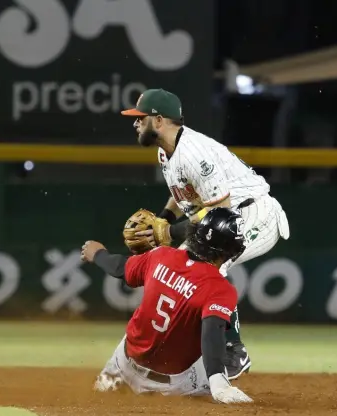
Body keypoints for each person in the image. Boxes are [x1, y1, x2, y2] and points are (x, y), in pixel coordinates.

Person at [120, 88, 290, 379]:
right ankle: (172, 353)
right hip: (223, 217)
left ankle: (234, 350)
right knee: (176, 271)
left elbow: (220, 214)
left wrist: (170, 231)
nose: (135, 123)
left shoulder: (193, 154)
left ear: (159, 120)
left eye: (141, 118)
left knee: (208, 266)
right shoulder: (167, 150)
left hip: (253, 214)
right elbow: (182, 194)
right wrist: (163, 219)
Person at [81, 207, 253, 404]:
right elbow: (212, 335)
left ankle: (108, 381)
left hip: (123, 364)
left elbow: (120, 267)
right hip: (172, 386)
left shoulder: (161, 255)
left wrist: (98, 254)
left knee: (95, 404)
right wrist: (218, 384)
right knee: (222, 364)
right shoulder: (220, 288)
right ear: (232, 250)